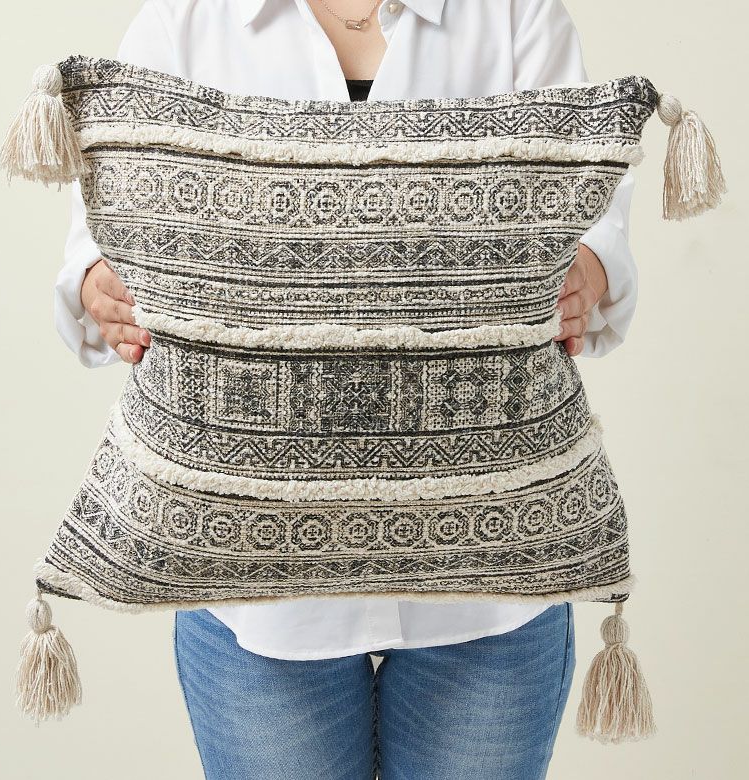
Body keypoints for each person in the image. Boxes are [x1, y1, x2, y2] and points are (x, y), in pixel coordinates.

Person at [55, 2, 638, 778]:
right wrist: (99, 284)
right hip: (253, 596)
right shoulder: (185, 19)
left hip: (494, 591)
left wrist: (588, 268)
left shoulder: (514, 14)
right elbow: (100, 231)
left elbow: (591, 205)